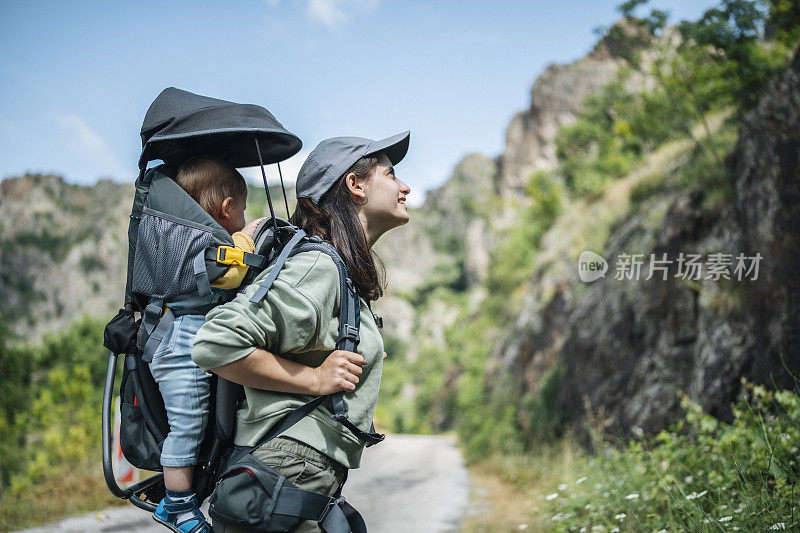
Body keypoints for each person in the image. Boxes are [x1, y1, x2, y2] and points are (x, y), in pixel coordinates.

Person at [192, 132, 411, 532]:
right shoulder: (319, 267)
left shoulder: (336, 273)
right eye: (392, 174)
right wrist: (313, 379)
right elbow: (216, 343)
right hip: (286, 467)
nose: (405, 186)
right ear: (355, 185)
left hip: (297, 474)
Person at [150, 156, 264, 533]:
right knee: (187, 424)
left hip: (177, 338)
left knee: (197, 424)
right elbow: (232, 274)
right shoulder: (203, 246)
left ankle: (173, 501)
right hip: (180, 343)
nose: (244, 217)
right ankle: (180, 509)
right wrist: (251, 235)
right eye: (243, 210)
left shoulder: (179, 240)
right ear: (227, 208)